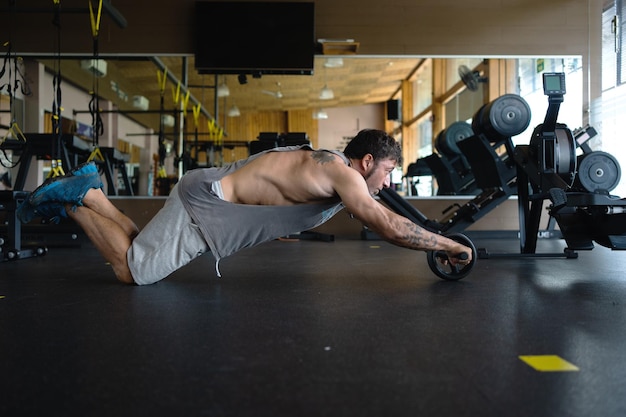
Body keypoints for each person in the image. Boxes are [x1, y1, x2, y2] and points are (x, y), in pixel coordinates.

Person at [17, 129, 472, 285]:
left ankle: (94, 193)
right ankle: (76, 202)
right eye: (388, 170)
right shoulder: (343, 175)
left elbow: (384, 211)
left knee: (139, 245)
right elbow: (388, 226)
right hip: (207, 211)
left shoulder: (332, 168)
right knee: (132, 271)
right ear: (367, 161)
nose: (388, 181)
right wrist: (447, 244)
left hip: (204, 193)